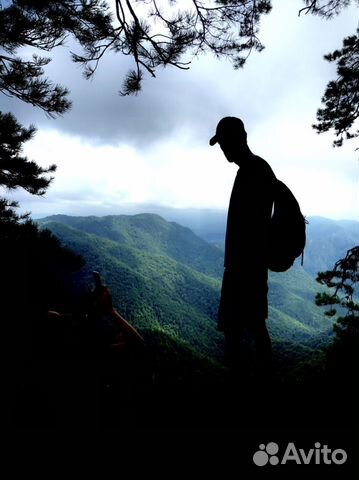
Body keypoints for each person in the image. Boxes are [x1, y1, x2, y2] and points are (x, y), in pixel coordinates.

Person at [209, 116, 276, 381]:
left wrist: (243, 263)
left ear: (240, 139)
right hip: (244, 267)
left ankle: (254, 381)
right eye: (221, 144)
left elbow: (253, 225)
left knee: (247, 328)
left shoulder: (255, 171)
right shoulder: (252, 169)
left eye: (225, 142)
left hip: (246, 268)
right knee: (242, 328)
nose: (223, 149)